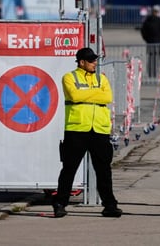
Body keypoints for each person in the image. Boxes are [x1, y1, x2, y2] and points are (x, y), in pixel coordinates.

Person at [52, 47, 122, 218]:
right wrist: (95, 94)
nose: (94, 63)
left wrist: (86, 94)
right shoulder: (69, 77)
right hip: (77, 129)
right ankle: (60, 203)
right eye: (91, 61)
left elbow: (107, 98)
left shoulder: (101, 78)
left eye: (95, 60)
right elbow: (75, 96)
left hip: (99, 129)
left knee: (104, 170)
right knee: (69, 169)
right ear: (81, 62)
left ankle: (110, 205)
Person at [140, 5, 160, 78]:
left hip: (150, 42)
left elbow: (142, 30)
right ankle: (154, 73)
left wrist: (146, 38)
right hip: (157, 43)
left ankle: (150, 73)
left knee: (150, 58)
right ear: (157, 12)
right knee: (156, 58)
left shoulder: (147, 20)